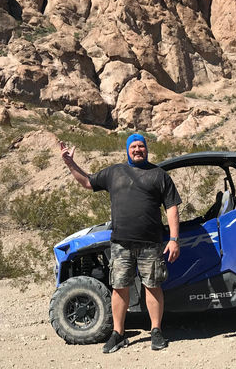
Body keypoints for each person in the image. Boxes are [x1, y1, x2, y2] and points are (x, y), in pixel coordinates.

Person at [60, 133, 181, 353]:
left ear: (147, 149)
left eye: (141, 146)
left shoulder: (159, 175)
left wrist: (173, 239)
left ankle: (156, 331)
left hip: (151, 243)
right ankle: (118, 333)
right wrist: (70, 163)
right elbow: (87, 182)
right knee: (119, 288)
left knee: (152, 286)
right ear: (127, 150)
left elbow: (172, 208)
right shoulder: (114, 172)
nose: (137, 149)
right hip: (121, 243)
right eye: (133, 146)